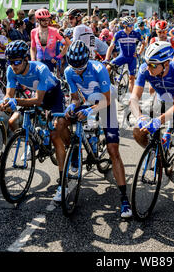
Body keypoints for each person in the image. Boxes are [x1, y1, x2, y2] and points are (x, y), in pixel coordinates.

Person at [129, 41, 174, 216]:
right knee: (137, 132)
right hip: (162, 101)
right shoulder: (145, 69)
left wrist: (158, 121)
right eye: (147, 63)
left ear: (166, 64)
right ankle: (156, 151)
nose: (148, 68)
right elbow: (134, 98)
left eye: (153, 65)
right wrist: (140, 118)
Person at [63, 40, 132, 218]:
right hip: (88, 100)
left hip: (106, 100)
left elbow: (106, 101)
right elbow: (76, 99)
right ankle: (78, 150)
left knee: (113, 149)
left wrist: (89, 109)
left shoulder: (99, 69)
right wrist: (72, 106)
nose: (77, 70)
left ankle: (125, 198)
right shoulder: (68, 71)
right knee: (68, 120)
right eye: (74, 67)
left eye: (81, 67)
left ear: (88, 59)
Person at [0, 40, 69, 199]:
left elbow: (38, 101)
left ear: (25, 59)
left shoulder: (40, 69)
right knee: (11, 122)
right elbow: (9, 95)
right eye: (10, 61)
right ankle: (32, 142)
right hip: (35, 94)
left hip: (52, 95)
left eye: (17, 62)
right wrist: (5, 103)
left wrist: (16, 101)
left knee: (56, 132)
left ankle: (64, 182)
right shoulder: (11, 70)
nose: (13, 65)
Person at [104, 16, 145, 94]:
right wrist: (107, 59)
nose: (132, 27)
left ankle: (132, 98)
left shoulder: (136, 33)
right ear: (124, 25)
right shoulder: (118, 34)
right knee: (108, 68)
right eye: (130, 25)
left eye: (133, 25)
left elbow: (143, 43)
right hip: (122, 56)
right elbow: (111, 46)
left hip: (132, 58)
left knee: (131, 78)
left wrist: (139, 53)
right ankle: (107, 87)